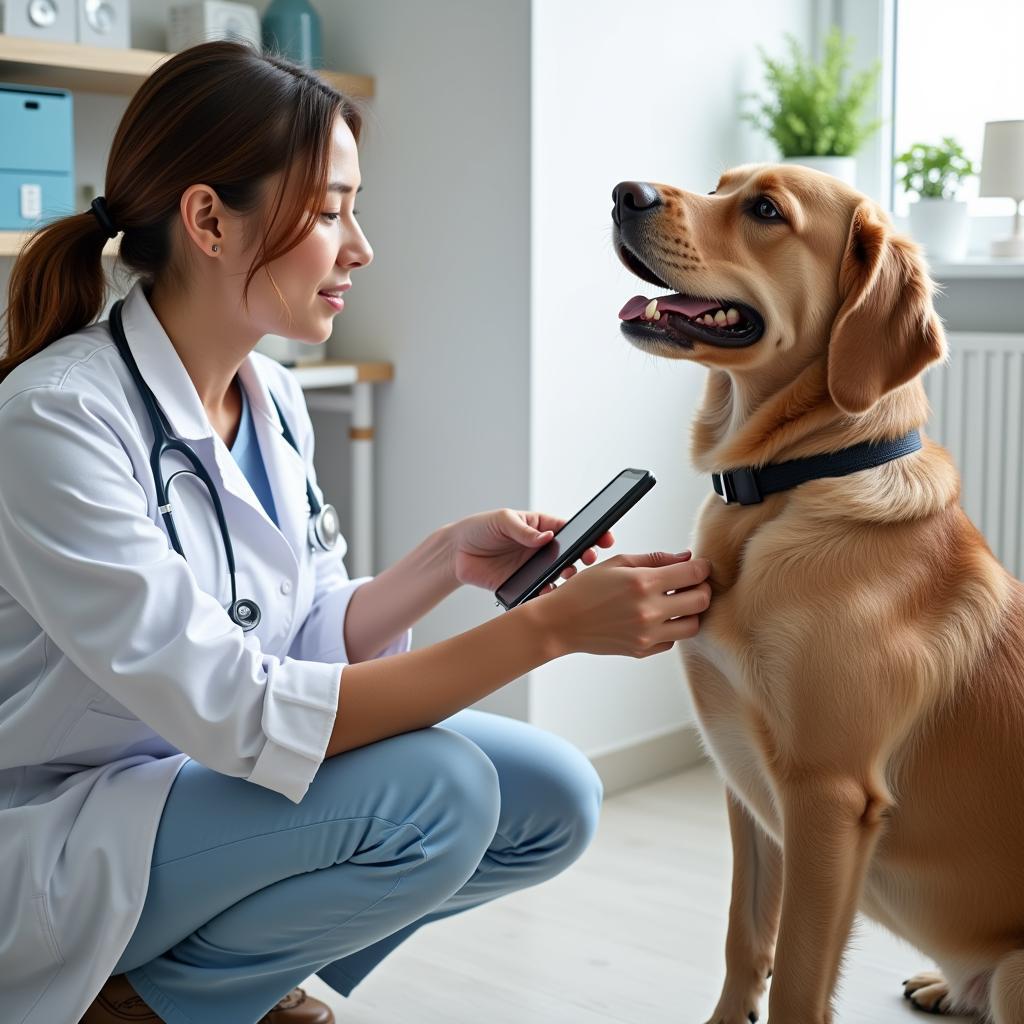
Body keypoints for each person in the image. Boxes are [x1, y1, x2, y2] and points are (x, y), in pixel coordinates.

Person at [0, 39, 713, 1024]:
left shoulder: (272, 397)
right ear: (208, 218)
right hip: (63, 826)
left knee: (553, 796)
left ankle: (181, 986)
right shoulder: (56, 418)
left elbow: (290, 632)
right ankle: (156, 1001)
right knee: (438, 792)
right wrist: (544, 632)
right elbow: (240, 707)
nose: (361, 246)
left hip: (194, 782)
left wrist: (440, 564)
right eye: (331, 210)